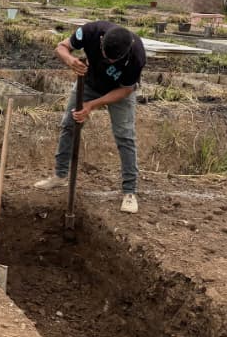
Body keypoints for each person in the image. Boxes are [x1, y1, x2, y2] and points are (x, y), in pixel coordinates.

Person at [34, 21, 145, 213]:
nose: (109, 61)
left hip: (118, 91)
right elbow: (61, 47)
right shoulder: (90, 31)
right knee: (69, 124)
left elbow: (127, 89)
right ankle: (59, 176)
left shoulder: (137, 55)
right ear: (101, 42)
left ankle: (129, 191)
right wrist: (71, 60)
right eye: (105, 56)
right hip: (89, 84)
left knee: (125, 135)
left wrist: (91, 106)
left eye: (114, 60)